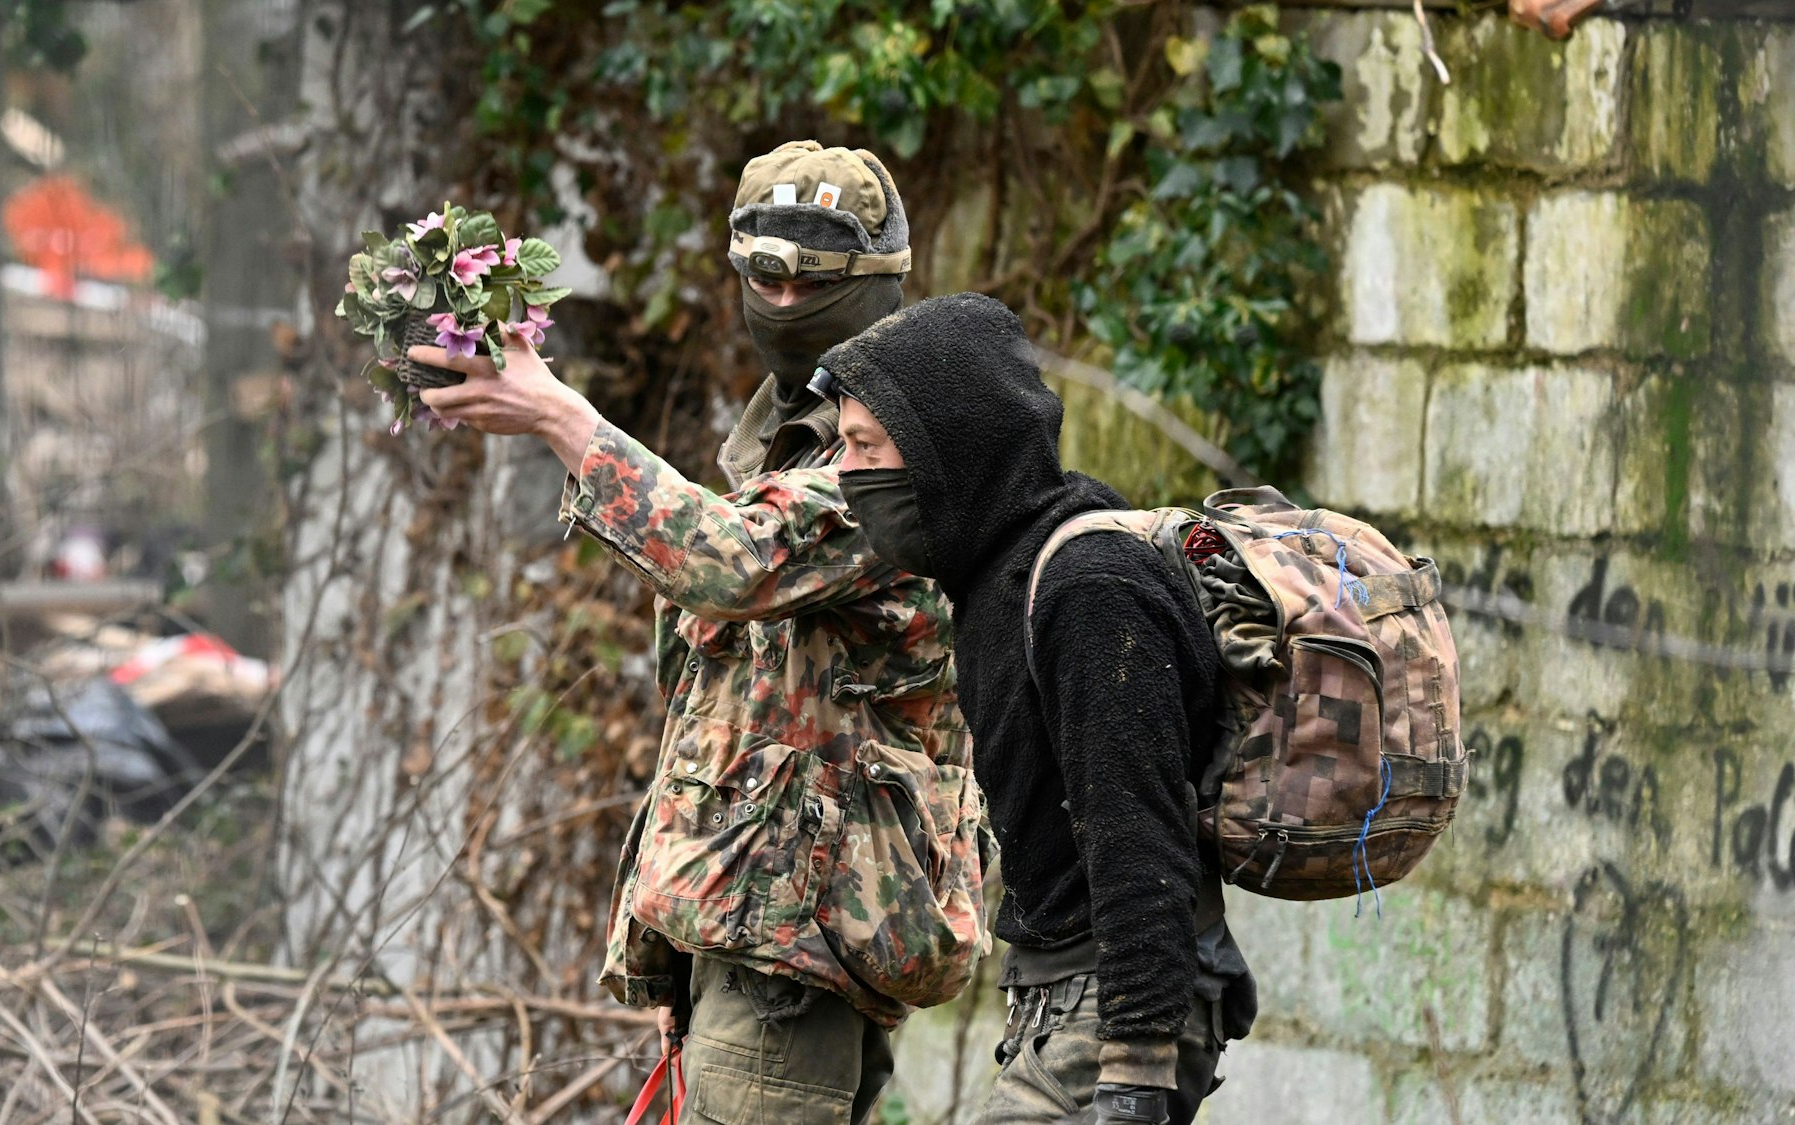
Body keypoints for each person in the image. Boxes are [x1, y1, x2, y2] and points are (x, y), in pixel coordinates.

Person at [411, 143, 991, 1124]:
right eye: (764, 274)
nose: (785, 296)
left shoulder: (905, 444)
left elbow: (733, 562)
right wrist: (678, 952)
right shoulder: (791, 434)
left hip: (799, 949)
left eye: (815, 280)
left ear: (881, 285)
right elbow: (725, 713)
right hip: (761, 938)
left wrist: (558, 416)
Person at [812, 292, 1257, 1125]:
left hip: (1118, 1009)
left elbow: (1139, 830)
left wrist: (1135, 1066)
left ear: (948, 450)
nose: (842, 470)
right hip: (1063, 1001)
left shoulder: (1087, 587)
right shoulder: (996, 577)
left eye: (864, 444)